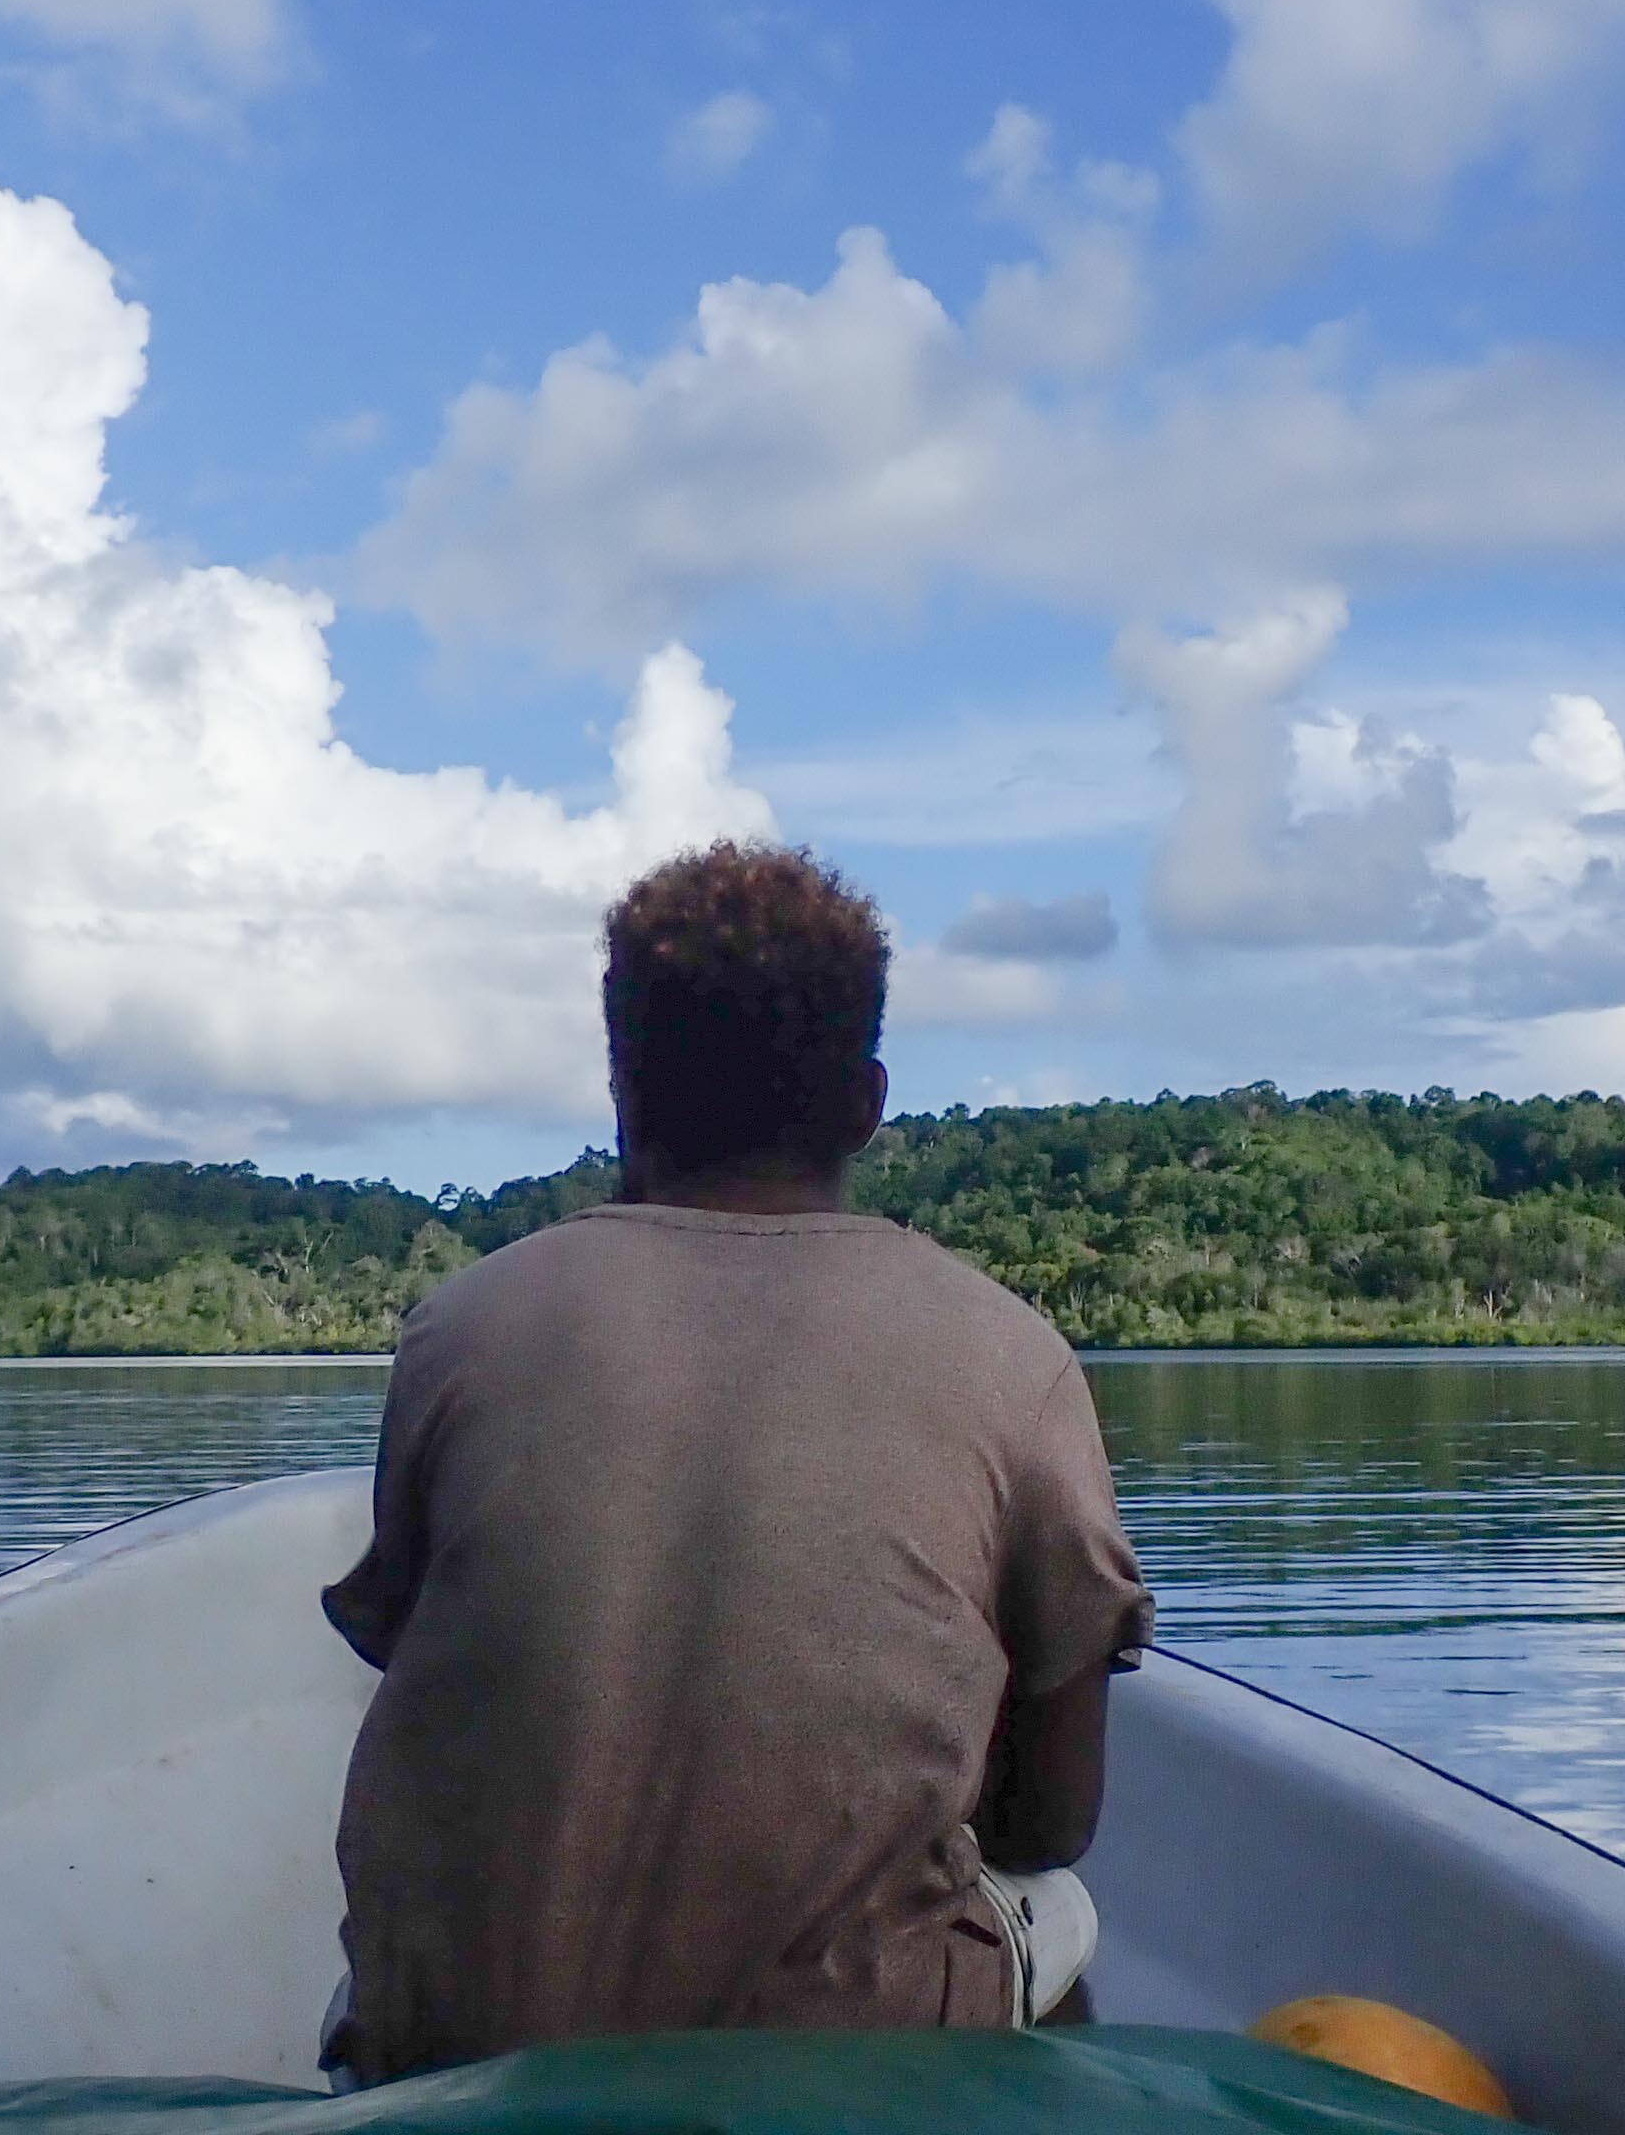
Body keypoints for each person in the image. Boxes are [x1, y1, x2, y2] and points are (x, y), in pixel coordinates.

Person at [318, 842, 1153, 2086]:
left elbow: (425, 1658)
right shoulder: (1009, 1355)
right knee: (1060, 1910)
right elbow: (1052, 1821)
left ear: (622, 1089)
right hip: (845, 2069)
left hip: (455, 2055)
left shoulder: (461, 1328)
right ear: (866, 1103)